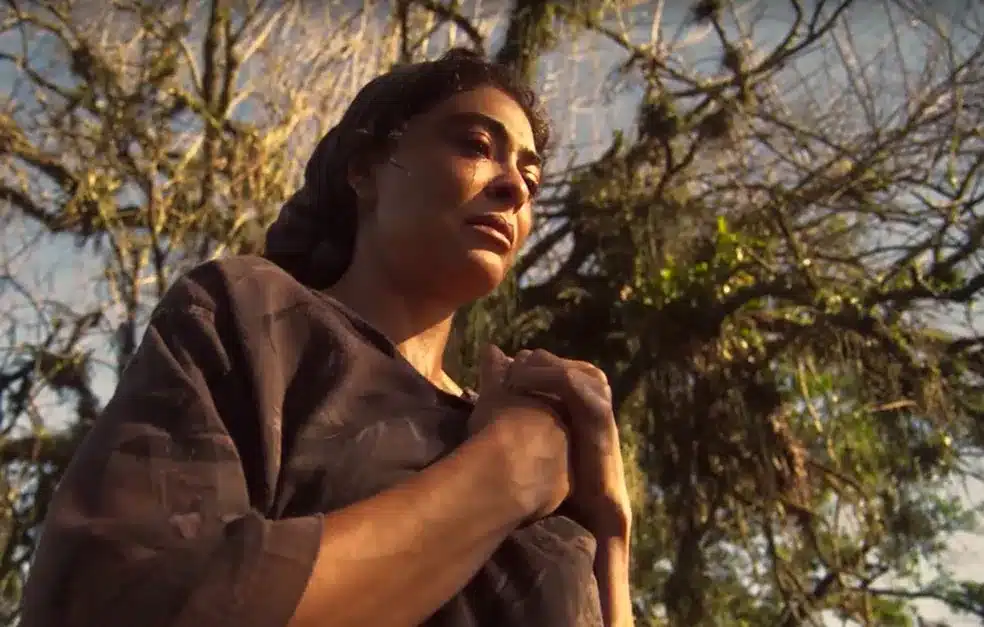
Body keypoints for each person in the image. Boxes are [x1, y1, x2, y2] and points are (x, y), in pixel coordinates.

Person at [20, 48, 633, 627]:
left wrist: (609, 529)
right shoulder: (252, 315)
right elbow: (129, 595)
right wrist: (505, 474)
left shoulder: (527, 427)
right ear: (364, 170)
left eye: (531, 177)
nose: (516, 188)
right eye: (477, 145)